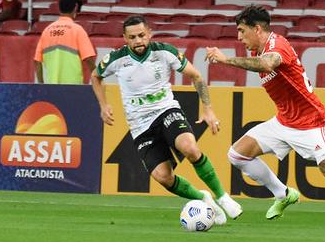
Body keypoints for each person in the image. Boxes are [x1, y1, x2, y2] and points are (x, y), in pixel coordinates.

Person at [205, 5, 325, 238]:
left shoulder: (277, 46)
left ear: (257, 29)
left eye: (241, 31)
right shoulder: (259, 50)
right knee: (237, 154)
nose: (239, 37)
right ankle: (283, 194)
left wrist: (225, 60)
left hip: (311, 123)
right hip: (284, 122)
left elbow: (268, 63)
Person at [91, 14, 242, 225]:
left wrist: (208, 110)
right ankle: (203, 198)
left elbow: (196, 76)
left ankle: (223, 197)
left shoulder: (164, 52)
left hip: (166, 111)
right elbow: (95, 77)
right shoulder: (117, 59)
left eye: (142, 35)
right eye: (132, 37)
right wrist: (103, 105)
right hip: (140, 126)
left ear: (149, 34)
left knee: (189, 148)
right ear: (125, 38)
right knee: (163, 177)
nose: (138, 41)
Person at [34, 0, 96, 84]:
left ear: (59, 9)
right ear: (75, 8)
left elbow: (37, 61)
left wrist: (41, 84)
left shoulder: (47, 30)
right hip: (73, 86)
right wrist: (98, 78)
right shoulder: (77, 30)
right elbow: (89, 59)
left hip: (51, 86)